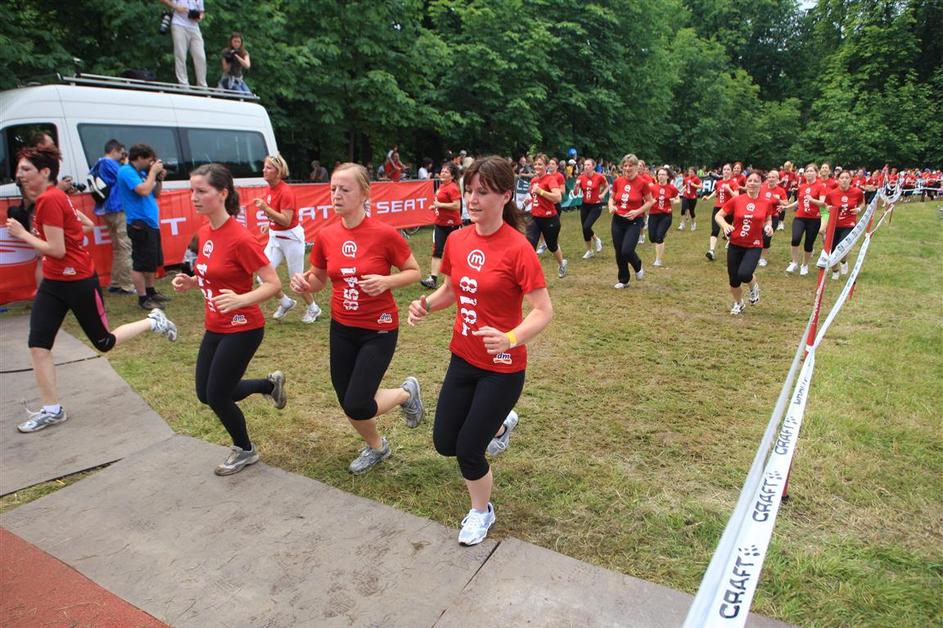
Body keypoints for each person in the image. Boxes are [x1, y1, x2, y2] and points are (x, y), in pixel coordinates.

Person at [407, 156, 553, 546]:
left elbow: (543, 310)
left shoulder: (519, 249)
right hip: (463, 356)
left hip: (502, 367)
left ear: (505, 196)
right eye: (469, 191)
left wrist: (510, 338)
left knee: (469, 450)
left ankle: (481, 511)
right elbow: (451, 290)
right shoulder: (457, 239)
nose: (472, 199)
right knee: (445, 443)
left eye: (482, 192)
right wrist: (425, 305)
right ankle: (501, 426)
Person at [6, 146, 177, 433]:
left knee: (104, 342)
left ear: (44, 172)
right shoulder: (53, 197)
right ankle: (52, 409)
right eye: (19, 169)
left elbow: (57, 249)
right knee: (38, 345)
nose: (19, 174)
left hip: (78, 281)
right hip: (53, 283)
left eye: (26, 169)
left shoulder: (50, 199)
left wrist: (23, 234)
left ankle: (153, 320)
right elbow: (80, 226)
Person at [290, 163, 423, 474]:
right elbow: (319, 278)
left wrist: (386, 281)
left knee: (357, 402)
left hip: (378, 328)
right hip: (342, 327)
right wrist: (304, 285)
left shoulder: (384, 234)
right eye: (333, 189)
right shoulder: (326, 236)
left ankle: (406, 393)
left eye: (345, 189)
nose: (336, 195)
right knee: (346, 398)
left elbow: (414, 272)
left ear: (365, 194)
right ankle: (377, 447)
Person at [172, 164, 285, 476]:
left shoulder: (240, 238)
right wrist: (192, 282)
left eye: (201, 191)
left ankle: (245, 449)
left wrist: (241, 299)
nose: (194, 197)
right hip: (215, 325)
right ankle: (268, 385)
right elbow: (213, 273)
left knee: (218, 396)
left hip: (243, 327)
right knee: (205, 394)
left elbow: (273, 283)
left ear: (222, 194)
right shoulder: (205, 231)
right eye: (192, 190)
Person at [253, 154, 322, 323]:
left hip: (291, 239)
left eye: (268, 167)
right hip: (275, 238)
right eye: (264, 166)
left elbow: (286, 220)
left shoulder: (286, 192)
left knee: (296, 280)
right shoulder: (270, 189)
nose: (264, 170)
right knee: (262, 275)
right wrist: (269, 224)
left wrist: (265, 209)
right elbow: (278, 217)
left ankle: (314, 308)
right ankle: (285, 302)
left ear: (278, 172)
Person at [116, 144, 170, 310]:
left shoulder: (142, 173)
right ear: (139, 157)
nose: (151, 164)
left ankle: (151, 292)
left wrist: (158, 178)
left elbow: (155, 193)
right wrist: (153, 172)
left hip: (150, 223)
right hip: (139, 224)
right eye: (149, 160)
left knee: (150, 262)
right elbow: (144, 191)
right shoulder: (126, 171)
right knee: (140, 264)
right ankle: (143, 298)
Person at [714, 171, 774, 315]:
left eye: (756, 181)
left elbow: (768, 219)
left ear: (761, 184)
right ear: (746, 183)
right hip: (735, 244)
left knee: (745, 274)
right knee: (734, 280)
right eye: (749, 180)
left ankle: (753, 286)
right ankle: (738, 303)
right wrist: (725, 225)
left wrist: (769, 226)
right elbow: (718, 215)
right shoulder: (737, 200)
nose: (752, 183)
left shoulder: (766, 203)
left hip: (754, 245)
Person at [90, 139, 135, 295]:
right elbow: (125, 175)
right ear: (114, 150)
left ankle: (116, 282)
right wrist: (127, 163)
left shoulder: (98, 164)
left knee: (117, 248)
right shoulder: (109, 163)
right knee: (125, 247)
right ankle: (127, 285)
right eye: (121, 153)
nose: (122, 156)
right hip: (118, 208)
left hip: (106, 209)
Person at [608, 154, 654, 288]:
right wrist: (611, 206)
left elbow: (650, 201)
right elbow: (612, 198)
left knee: (627, 250)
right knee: (618, 251)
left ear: (636, 167)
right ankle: (624, 280)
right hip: (618, 219)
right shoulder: (618, 181)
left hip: (634, 220)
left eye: (630, 166)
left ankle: (637, 265)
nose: (627, 168)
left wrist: (637, 211)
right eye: (625, 166)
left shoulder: (642, 183)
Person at [524, 154, 568, 278]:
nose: (537, 166)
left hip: (549, 219)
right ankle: (530, 274)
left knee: (552, 246)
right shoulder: (534, 180)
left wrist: (541, 192)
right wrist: (530, 200)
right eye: (535, 164)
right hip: (534, 217)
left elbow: (558, 197)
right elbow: (536, 197)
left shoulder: (550, 179)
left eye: (540, 164)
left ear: (546, 166)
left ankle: (561, 264)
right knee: (529, 245)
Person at [421, 162, 462, 289]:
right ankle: (432, 279)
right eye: (442, 171)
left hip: (452, 225)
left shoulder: (453, 187)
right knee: (437, 250)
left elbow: (457, 205)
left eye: (446, 172)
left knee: (454, 252)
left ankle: (458, 277)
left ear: (452, 176)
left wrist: (439, 205)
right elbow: (441, 203)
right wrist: (435, 206)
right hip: (440, 223)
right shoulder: (441, 186)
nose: (442, 173)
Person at [784, 163, 827, 275]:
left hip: (814, 218)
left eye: (811, 171)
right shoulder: (802, 186)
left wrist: (812, 200)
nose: (809, 173)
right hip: (800, 217)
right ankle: (794, 262)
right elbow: (799, 201)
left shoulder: (821, 186)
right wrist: (787, 207)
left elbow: (822, 203)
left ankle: (804, 265)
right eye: (807, 171)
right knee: (795, 239)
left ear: (816, 173)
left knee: (808, 244)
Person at [824, 170, 865, 279]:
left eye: (847, 178)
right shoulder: (832, 194)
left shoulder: (857, 192)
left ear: (850, 179)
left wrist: (858, 209)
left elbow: (862, 202)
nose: (844, 180)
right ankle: (835, 271)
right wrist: (828, 208)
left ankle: (843, 261)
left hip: (849, 223)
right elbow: (826, 205)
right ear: (838, 180)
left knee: (842, 246)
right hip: (834, 224)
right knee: (832, 249)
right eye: (842, 178)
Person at [160, 0, 207, 87]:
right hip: (179, 24)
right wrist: (176, 7)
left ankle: (202, 84)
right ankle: (183, 84)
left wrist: (199, 17)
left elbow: (202, 12)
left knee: (200, 56)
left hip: (194, 27)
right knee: (180, 55)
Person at [572, 158, 608, 258]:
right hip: (585, 205)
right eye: (585, 165)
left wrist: (603, 194)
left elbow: (607, 186)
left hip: (596, 205)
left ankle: (596, 240)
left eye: (588, 165)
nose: (586, 167)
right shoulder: (581, 177)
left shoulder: (599, 176)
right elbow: (575, 193)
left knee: (587, 227)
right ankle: (589, 250)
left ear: (593, 166)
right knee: (584, 229)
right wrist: (576, 186)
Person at [704, 163, 740, 261]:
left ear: (731, 172)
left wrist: (729, 189)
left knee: (728, 231)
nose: (726, 171)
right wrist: (708, 197)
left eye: (728, 169)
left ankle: (735, 248)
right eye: (724, 169)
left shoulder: (734, 183)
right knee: (715, 230)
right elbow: (716, 191)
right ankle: (711, 251)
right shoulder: (718, 182)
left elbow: (737, 197)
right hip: (717, 208)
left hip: (729, 210)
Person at [647, 167, 680, 267]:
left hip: (666, 215)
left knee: (658, 237)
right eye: (659, 174)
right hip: (653, 214)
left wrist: (674, 201)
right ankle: (661, 234)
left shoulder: (672, 188)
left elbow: (678, 199)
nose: (661, 176)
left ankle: (658, 260)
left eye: (663, 174)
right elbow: (647, 199)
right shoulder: (652, 188)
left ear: (667, 176)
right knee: (652, 238)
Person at [758, 170, 788, 267]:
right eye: (769, 177)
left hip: (773, 217)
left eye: (773, 177)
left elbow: (786, 204)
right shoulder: (762, 187)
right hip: (759, 216)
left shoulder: (780, 191)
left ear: (777, 179)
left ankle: (763, 258)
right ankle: (755, 255)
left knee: (766, 237)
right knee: (757, 236)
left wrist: (779, 200)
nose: (771, 179)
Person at [678, 167, 701, 231]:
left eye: (692, 172)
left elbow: (701, 186)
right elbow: (685, 185)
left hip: (693, 197)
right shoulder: (686, 178)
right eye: (689, 172)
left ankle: (693, 224)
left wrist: (694, 185)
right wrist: (681, 190)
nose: (690, 173)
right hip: (686, 196)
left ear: (695, 173)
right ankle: (682, 224)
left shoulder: (696, 179)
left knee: (691, 211)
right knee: (683, 209)